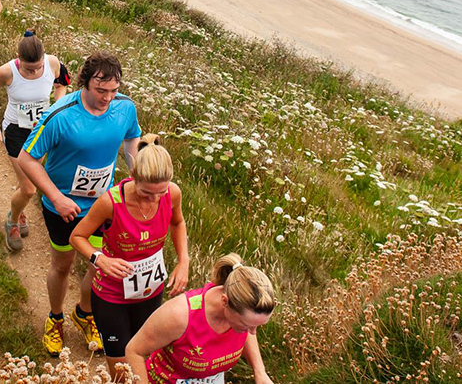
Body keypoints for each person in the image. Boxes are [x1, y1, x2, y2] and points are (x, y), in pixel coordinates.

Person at [18, 51, 141, 357]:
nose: (107, 98)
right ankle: (55, 318)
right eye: (100, 90)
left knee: (99, 265)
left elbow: (131, 139)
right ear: (84, 83)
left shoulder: (125, 108)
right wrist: (57, 198)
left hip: (102, 206)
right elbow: (27, 158)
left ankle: (84, 313)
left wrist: (138, 177)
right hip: (63, 209)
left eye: (113, 90)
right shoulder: (61, 115)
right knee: (63, 266)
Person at [70, 134, 189, 380]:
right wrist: (100, 259)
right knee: (122, 369)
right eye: (146, 193)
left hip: (150, 292)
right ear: (133, 175)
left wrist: (183, 261)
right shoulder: (110, 203)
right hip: (112, 295)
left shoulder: (173, 194)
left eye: (160, 193)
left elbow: (178, 222)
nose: (154, 199)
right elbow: (77, 237)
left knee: (144, 358)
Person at [125, 254, 276, 384]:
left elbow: (249, 327)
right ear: (225, 302)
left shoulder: (242, 317)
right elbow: (134, 351)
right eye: (246, 325)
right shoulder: (179, 315)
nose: (252, 333)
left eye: (256, 326)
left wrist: (260, 372)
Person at [0, 31, 71, 251]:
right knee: (30, 188)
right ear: (18, 58)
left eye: (37, 68)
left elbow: (62, 83)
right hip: (15, 131)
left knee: (26, 183)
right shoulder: (6, 71)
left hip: (40, 132)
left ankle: (19, 208)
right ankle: (12, 220)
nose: (33, 72)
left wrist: (56, 107)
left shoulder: (52, 63)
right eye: (28, 69)